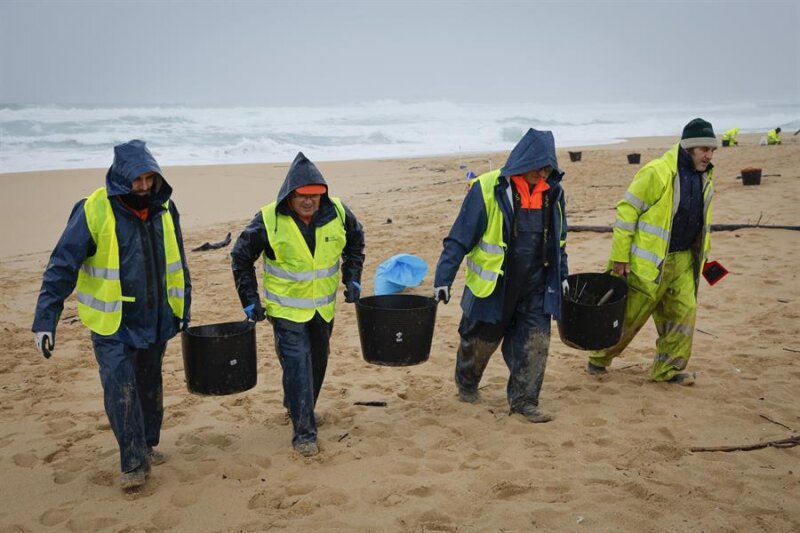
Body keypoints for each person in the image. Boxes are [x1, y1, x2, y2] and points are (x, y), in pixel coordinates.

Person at [32, 140, 192, 491]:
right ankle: (133, 462)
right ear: (121, 178)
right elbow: (62, 266)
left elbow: (178, 261)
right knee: (120, 387)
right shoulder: (92, 210)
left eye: (150, 179)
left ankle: (147, 444)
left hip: (156, 317)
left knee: (150, 385)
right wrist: (45, 319)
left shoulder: (165, 208)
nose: (145, 186)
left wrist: (185, 309)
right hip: (112, 322)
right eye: (138, 180)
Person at [231, 152, 364, 457]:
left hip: (323, 310)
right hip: (286, 312)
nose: (308, 202)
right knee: (297, 366)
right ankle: (304, 433)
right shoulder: (267, 220)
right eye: (302, 196)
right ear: (289, 196)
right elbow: (240, 258)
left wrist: (352, 277)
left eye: (315, 196)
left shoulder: (340, 214)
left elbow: (356, 242)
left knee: (317, 364)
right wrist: (249, 300)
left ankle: (297, 406)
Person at [433, 128, 568, 423]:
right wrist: (444, 278)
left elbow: (559, 241)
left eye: (547, 168)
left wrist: (563, 276)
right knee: (478, 345)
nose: (542, 173)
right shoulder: (486, 188)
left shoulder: (554, 192)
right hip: (494, 286)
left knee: (535, 343)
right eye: (538, 166)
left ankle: (524, 402)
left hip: (535, 285)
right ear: (523, 159)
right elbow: (459, 238)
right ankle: (466, 384)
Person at [586, 118, 717, 385]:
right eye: (704, 149)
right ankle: (598, 359)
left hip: (684, 261)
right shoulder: (657, 172)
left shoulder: (705, 177)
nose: (709, 155)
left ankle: (667, 370)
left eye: (712, 150)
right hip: (649, 263)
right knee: (631, 316)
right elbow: (626, 210)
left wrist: (703, 258)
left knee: (684, 314)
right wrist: (620, 256)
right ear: (689, 148)